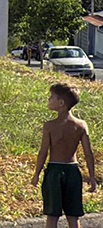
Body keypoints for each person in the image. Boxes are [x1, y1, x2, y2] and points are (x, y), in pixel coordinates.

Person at [31, 83, 97, 228]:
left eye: (51, 97)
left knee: (52, 215)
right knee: (73, 217)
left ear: (61, 103)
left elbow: (43, 152)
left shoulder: (49, 126)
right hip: (73, 171)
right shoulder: (80, 125)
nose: (49, 99)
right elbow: (88, 153)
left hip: (54, 172)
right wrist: (92, 176)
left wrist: (37, 173)